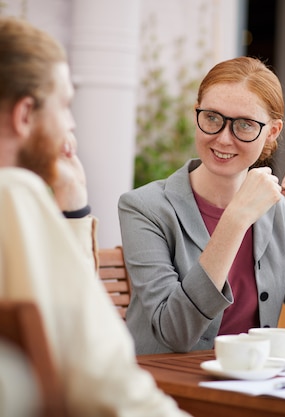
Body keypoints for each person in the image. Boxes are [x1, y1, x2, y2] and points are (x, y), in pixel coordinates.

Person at [0, 16, 190, 416]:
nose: (70, 123)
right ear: (24, 115)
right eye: (65, 104)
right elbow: (103, 377)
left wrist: (72, 203)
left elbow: (63, 319)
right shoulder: (13, 191)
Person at [118, 56, 285, 355]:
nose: (224, 139)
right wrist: (236, 219)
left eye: (244, 125)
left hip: (251, 383)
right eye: (212, 118)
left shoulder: (275, 209)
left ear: (273, 131)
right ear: (196, 114)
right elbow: (174, 332)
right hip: (169, 386)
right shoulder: (144, 207)